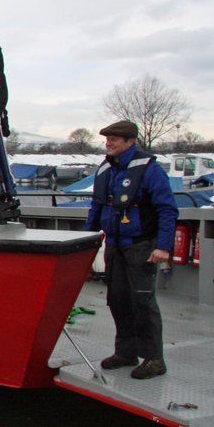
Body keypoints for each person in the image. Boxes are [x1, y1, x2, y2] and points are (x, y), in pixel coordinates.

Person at [86, 120, 178, 380]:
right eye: (107, 139)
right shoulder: (105, 169)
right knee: (118, 300)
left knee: (143, 303)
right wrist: (85, 239)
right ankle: (126, 352)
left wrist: (163, 247)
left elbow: (167, 210)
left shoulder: (150, 170)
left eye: (114, 139)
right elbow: (97, 207)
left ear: (130, 141)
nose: (109, 143)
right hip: (114, 246)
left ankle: (154, 359)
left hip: (141, 247)